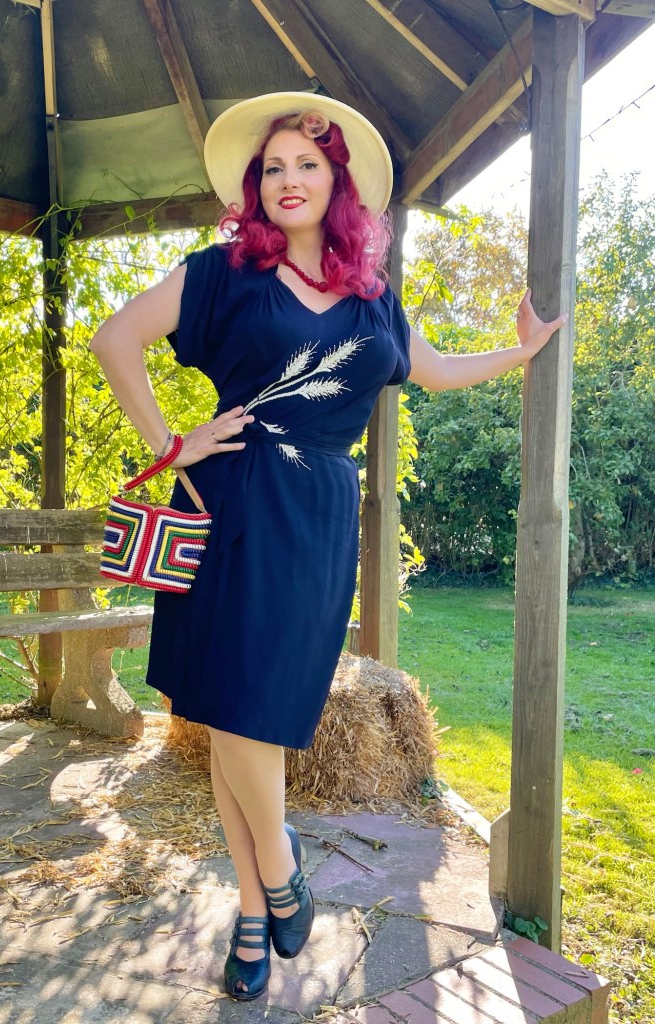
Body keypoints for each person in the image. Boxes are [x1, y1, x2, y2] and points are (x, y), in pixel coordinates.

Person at [89, 91, 566, 1001]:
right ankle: (273, 881)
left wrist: (520, 352)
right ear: (254, 187)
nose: (287, 179)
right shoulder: (222, 272)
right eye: (271, 167)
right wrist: (171, 444)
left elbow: (435, 370)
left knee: (257, 709)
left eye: (305, 164)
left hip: (314, 517)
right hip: (232, 498)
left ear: (336, 181)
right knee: (233, 710)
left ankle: (262, 894)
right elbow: (116, 340)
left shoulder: (372, 300)